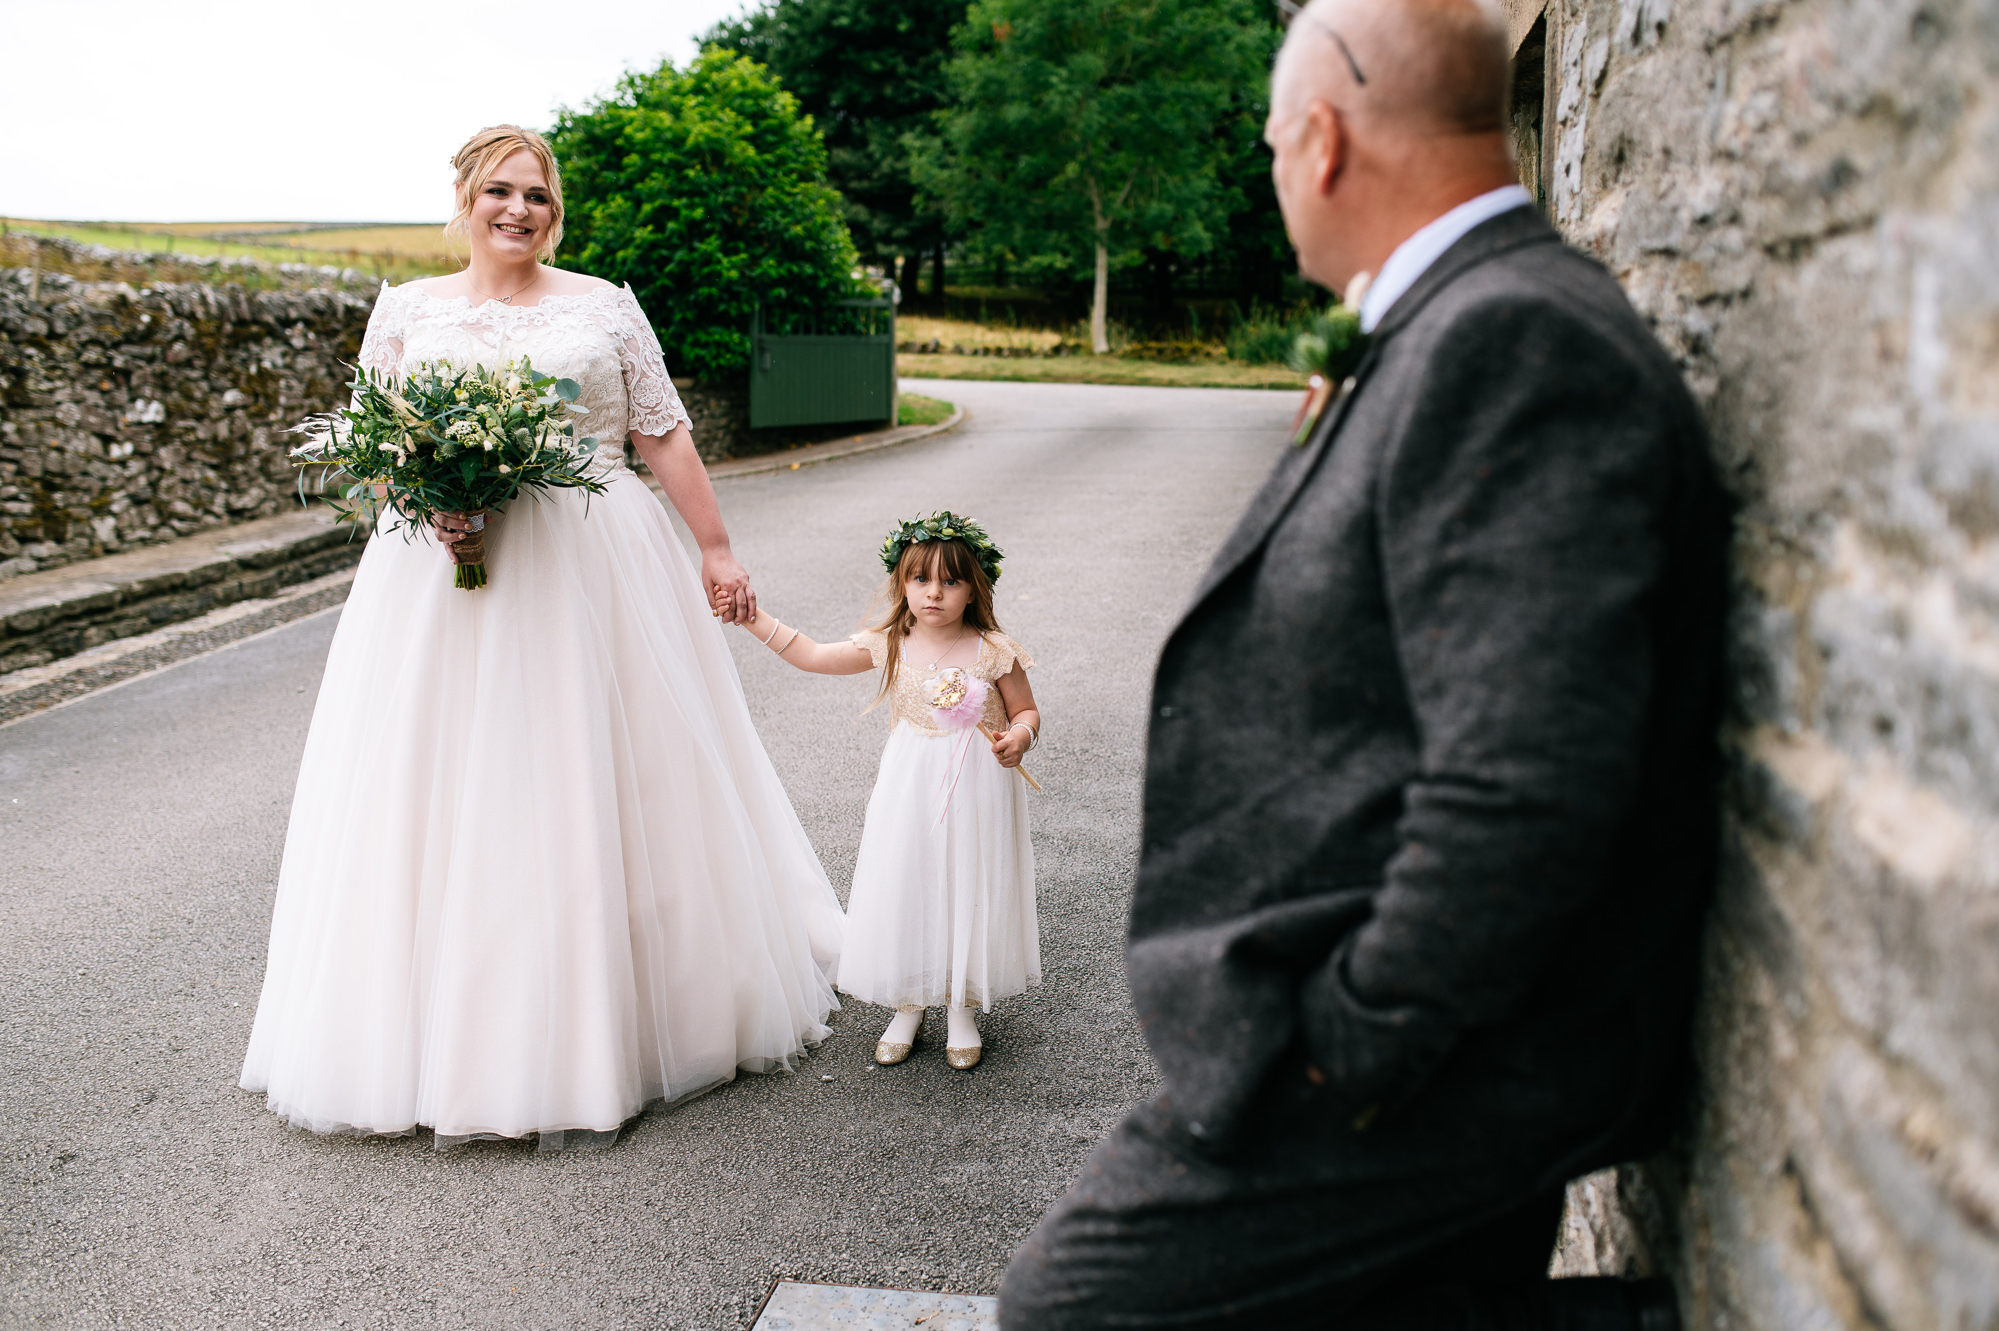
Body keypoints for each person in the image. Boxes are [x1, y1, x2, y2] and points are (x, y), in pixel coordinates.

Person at [999, 0, 1726, 1326]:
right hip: (1422, 1024)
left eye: (1275, 141)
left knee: (1077, 1305)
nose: (1275, 168)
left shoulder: (1510, 340)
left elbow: (1524, 778)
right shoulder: (1455, 319)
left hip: (1450, 1046)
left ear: (1323, 140)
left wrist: (1350, 1042)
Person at [239, 125, 845, 1149]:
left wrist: (716, 546)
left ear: (553, 211)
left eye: (536, 195)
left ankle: (630, 1009)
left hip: (594, 564)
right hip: (439, 577)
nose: (518, 210)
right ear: (466, 199)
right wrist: (429, 501)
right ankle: (440, 1028)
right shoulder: (407, 310)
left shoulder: (604, 305)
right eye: (499, 191)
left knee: (599, 770)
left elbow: (660, 431)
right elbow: (378, 447)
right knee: (441, 780)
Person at [722, 512, 1041, 1072]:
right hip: (909, 784)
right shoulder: (893, 642)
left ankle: (961, 1005)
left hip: (977, 787)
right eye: (920, 579)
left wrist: (1019, 737)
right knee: (908, 878)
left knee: (966, 880)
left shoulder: (993, 649)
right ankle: (909, 1001)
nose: (934, 593)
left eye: (950, 581)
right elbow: (813, 656)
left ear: (974, 588)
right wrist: (752, 618)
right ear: (902, 583)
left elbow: (1026, 710)